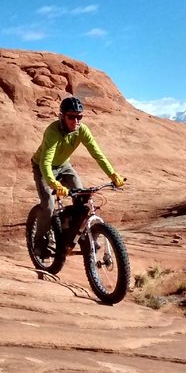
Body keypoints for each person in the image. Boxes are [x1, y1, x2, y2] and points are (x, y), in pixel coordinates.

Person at [31, 96, 125, 256]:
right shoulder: (53, 131)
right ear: (62, 116)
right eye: (71, 117)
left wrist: (113, 174)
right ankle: (38, 243)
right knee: (48, 206)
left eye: (79, 117)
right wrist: (54, 185)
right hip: (42, 167)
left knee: (82, 197)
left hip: (64, 166)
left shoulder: (82, 130)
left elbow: (98, 154)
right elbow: (45, 162)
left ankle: (77, 234)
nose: (76, 121)